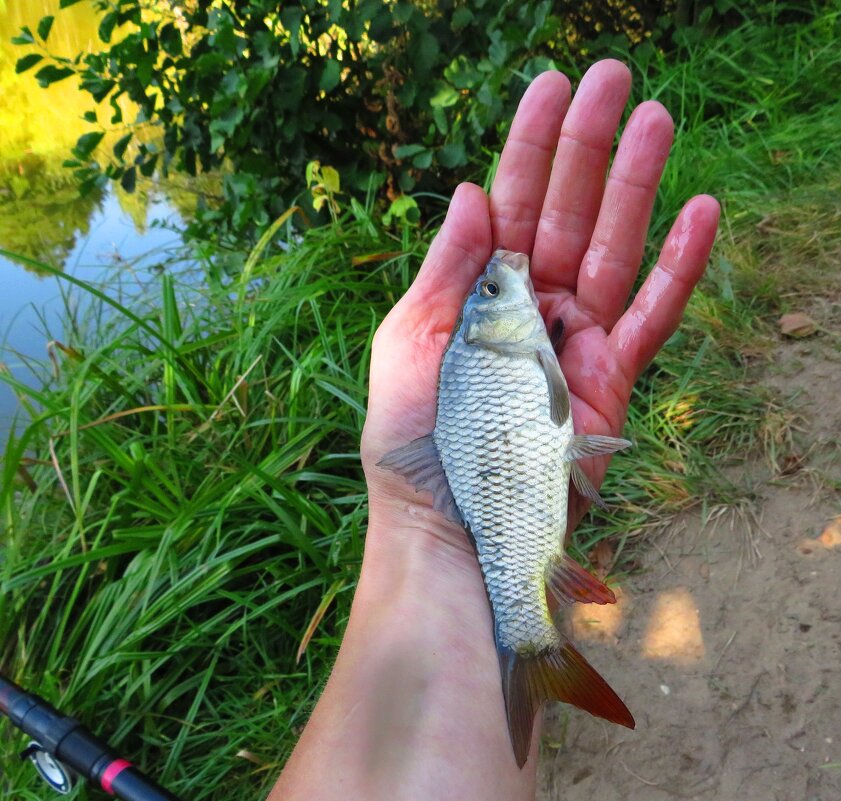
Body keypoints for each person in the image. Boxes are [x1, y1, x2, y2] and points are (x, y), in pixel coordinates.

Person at [268, 61, 720, 800]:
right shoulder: (496, 350)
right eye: (491, 289)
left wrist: (422, 533)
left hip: (512, 472)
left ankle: (530, 653)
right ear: (493, 316)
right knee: (524, 581)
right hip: (512, 480)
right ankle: (531, 653)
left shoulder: (507, 349)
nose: (502, 274)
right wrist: (423, 525)